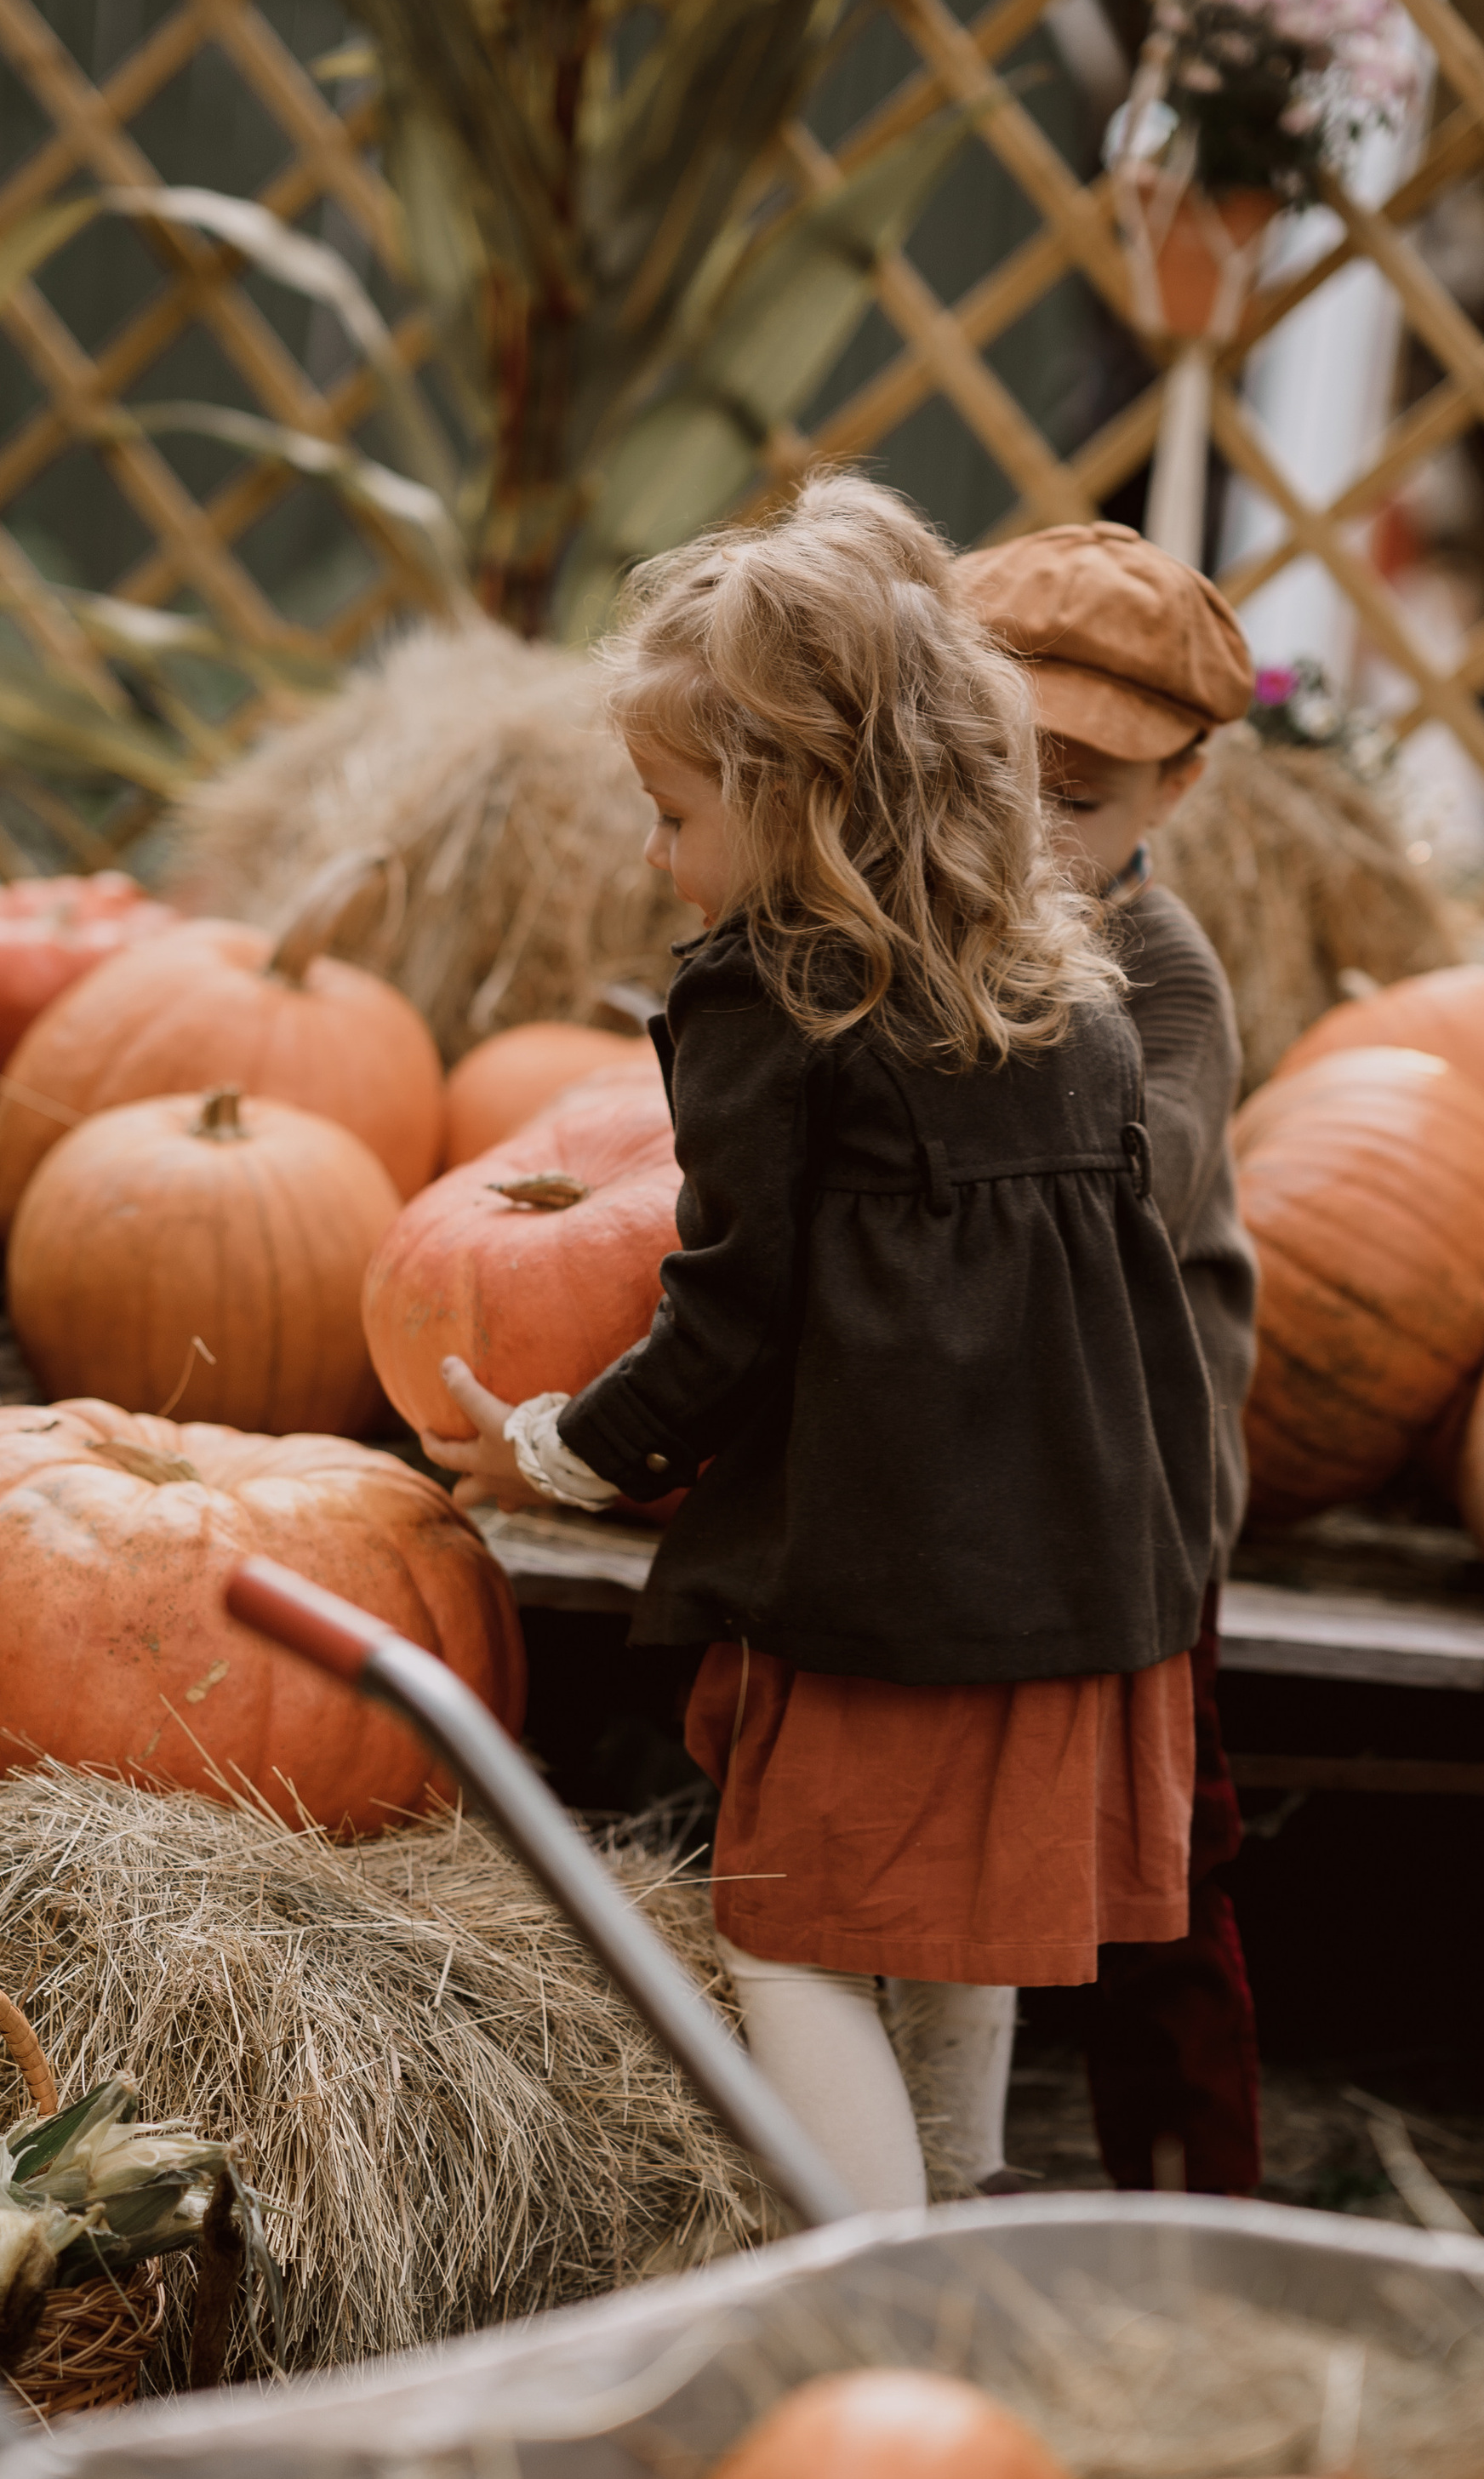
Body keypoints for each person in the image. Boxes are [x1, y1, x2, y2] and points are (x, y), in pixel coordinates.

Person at [423, 475, 1217, 2213]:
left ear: (796, 801)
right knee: (957, 1926)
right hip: (1082, 1571)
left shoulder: (771, 998)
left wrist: (556, 1448)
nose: (658, 858)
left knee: (790, 1941)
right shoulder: (1065, 988)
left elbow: (732, 1308)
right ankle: (953, 2216)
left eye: (672, 813)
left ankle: (857, 2294)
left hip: (895, 1587)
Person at [959, 518, 1262, 2197]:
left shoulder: (1160, 975)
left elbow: (1117, 1200)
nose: (1026, 826)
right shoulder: (927, 922)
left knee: (1154, 1865)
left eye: (1073, 799)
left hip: (1131, 1486)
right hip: (979, 1463)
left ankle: (1194, 2205)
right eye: (991, 773)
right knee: (958, 1837)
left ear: (1178, 789)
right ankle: (948, 2170)